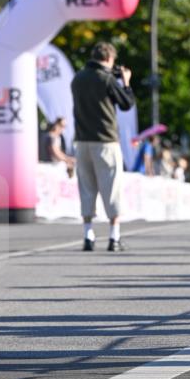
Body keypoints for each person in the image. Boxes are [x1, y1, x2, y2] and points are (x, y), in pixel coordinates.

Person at [71, 42, 135, 251]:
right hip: (106, 141)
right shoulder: (106, 78)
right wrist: (125, 82)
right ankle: (114, 237)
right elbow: (126, 103)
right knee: (112, 188)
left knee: (86, 188)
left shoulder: (77, 78)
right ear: (109, 58)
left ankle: (88, 235)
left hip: (82, 141)